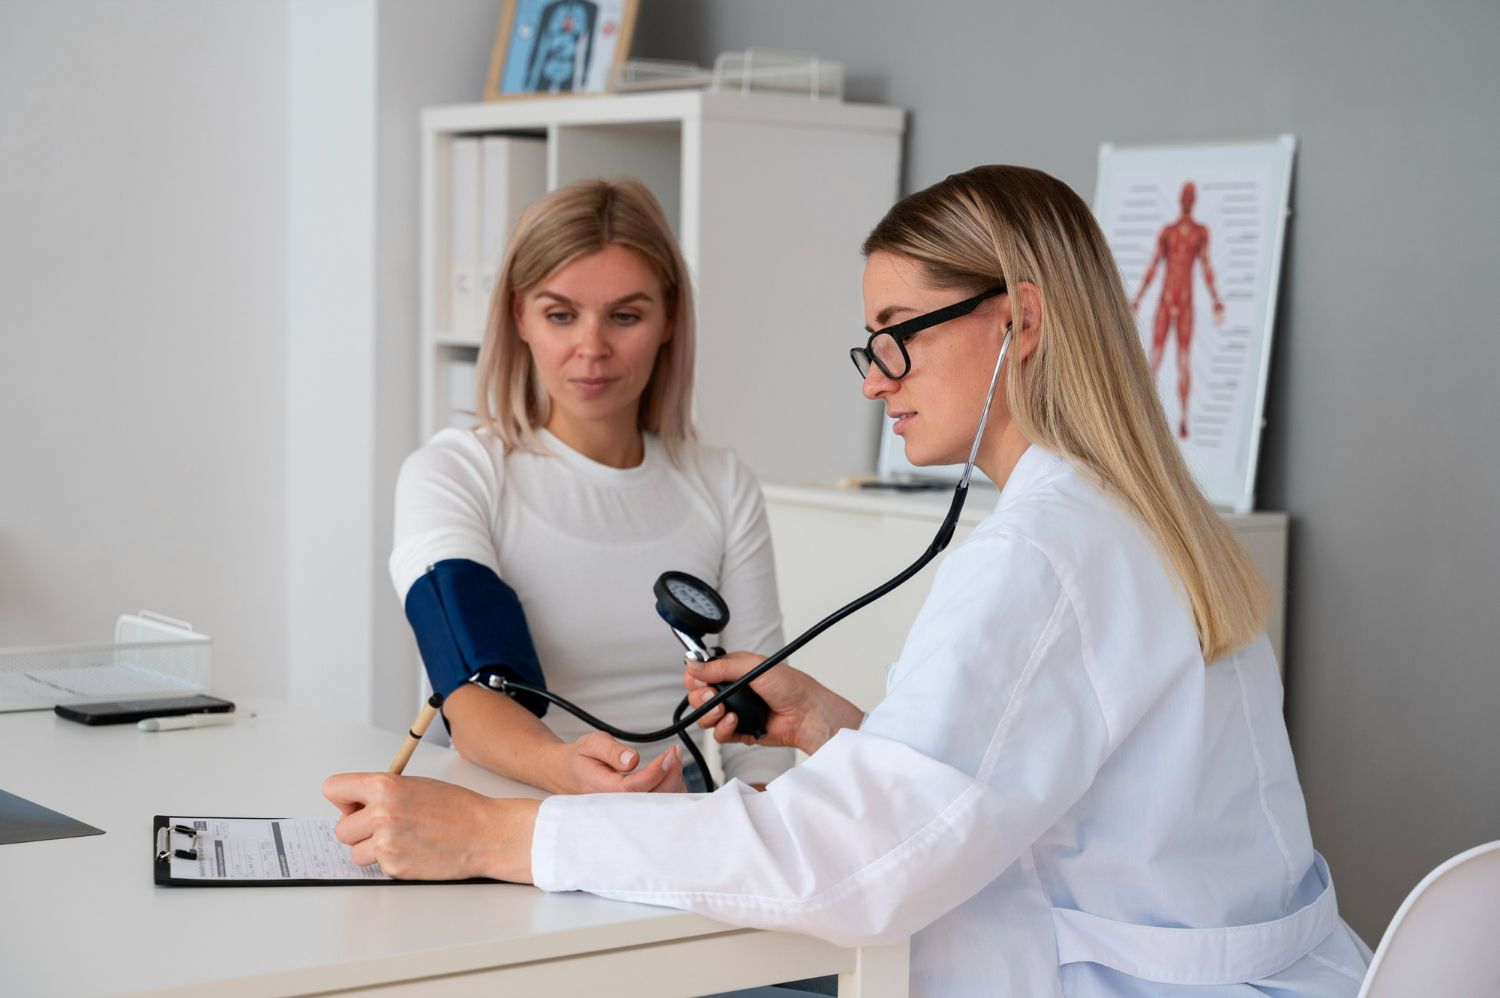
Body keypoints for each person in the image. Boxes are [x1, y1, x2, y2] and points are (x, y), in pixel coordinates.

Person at [326, 166, 1372, 996]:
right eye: (868, 345)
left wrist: (496, 830)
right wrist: (838, 729)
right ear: (517, 318)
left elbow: (852, 859)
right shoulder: (1141, 518)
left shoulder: (1034, 554)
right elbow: (1010, 789)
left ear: (1022, 321)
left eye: (898, 336)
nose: (877, 378)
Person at [389, 177, 793, 797]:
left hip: (670, 801)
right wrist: (577, 778)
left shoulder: (721, 484)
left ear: (668, 320)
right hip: (498, 799)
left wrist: (749, 826)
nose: (592, 348)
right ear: (518, 315)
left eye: (625, 316)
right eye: (560, 315)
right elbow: (469, 690)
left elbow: (759, 725)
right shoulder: (454, 474)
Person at [1131, 180, 1226, 439]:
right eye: (1184, 194)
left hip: (1185, 302)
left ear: (1193, 199)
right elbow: (1153, 265)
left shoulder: (1200, 232)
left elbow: (1206, 266)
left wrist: (1216, 298)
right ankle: (1142, 416)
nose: (1186, 198)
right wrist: (1138, 297)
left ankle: (1183, 418)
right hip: (1165, 299)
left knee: (1183, 360)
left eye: (1190, 195)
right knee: (1154, 358)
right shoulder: (1168, 232)